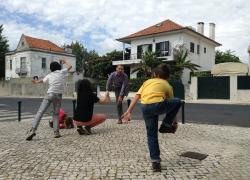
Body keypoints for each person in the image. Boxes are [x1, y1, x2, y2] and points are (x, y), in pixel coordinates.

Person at [121, 63, 182, 172]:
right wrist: (174, 122)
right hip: (158, 105)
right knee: (177, 102)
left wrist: (128, 111)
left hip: (145, 107)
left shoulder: (146, 82)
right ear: (168, 76)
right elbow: (173, 106)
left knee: (151, 135)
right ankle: (165, 126)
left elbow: (137, 96)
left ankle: (155, 162)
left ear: (155, 74)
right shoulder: (167, 85)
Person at [26, 59, 72, 141]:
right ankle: (56, 132)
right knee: (56, 114)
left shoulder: (49, 75)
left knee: (40, 112)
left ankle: (32, 130)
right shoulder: (62, 72)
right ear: (58, 67)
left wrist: (36, 82)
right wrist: (65, 61)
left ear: (51, 68)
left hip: (50, 94)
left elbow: (42, 81)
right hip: (58, 96)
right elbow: (70, 66)